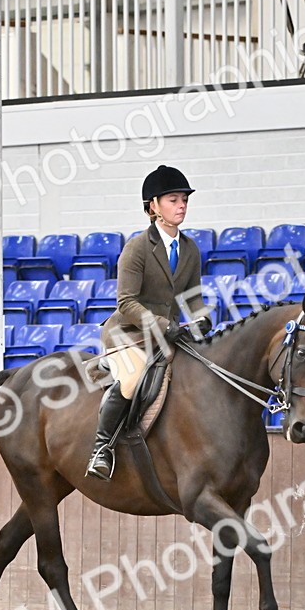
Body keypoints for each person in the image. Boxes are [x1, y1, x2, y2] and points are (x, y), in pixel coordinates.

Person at [86, 165, 212, 481]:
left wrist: (203, 317)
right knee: (132, 379)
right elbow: (126, 303)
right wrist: (161, 324)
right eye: (173, 200)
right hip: (130, 333)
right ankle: (102, 449)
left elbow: (193, 296)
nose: (181, 205)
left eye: (184, 199)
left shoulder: (190, 249)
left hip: (168, 334)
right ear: (153, 206)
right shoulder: (137, 248)